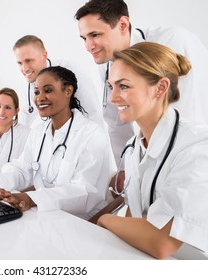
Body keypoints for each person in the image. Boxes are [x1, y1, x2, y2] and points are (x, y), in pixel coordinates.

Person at [75, 0, 208, 194]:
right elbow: (115, 121)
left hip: (193, 155)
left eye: (95, 35)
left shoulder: (172, 41)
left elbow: (187, 115)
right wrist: (124, 168)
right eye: (84, 38)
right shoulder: (107, 61)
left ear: (122, 25)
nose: (89, 46)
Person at [98, 42, 208, 259]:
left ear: (160, 88)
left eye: (124, 86)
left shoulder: (197, 146)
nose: (112, 97)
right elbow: (135, 210)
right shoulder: (134, 148)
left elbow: (161, 242)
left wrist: (105, 219)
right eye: (112, 86)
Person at [0, 66, 110, 220]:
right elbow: (22, 169)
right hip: (44, 215)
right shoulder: (38, 132)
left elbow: (84, 191)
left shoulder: (92, 134)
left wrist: (32, 198)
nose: (39, 98)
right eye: (36, 92)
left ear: (68, 91)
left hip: (81, 222)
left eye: (47, 90)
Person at [12, 35, 103, 128]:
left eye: (29, 61)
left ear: (44, 55)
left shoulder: (70, 70)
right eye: (20, 63)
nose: (25, 69)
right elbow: (23, 123)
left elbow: (93, 114)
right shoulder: (27, 84)